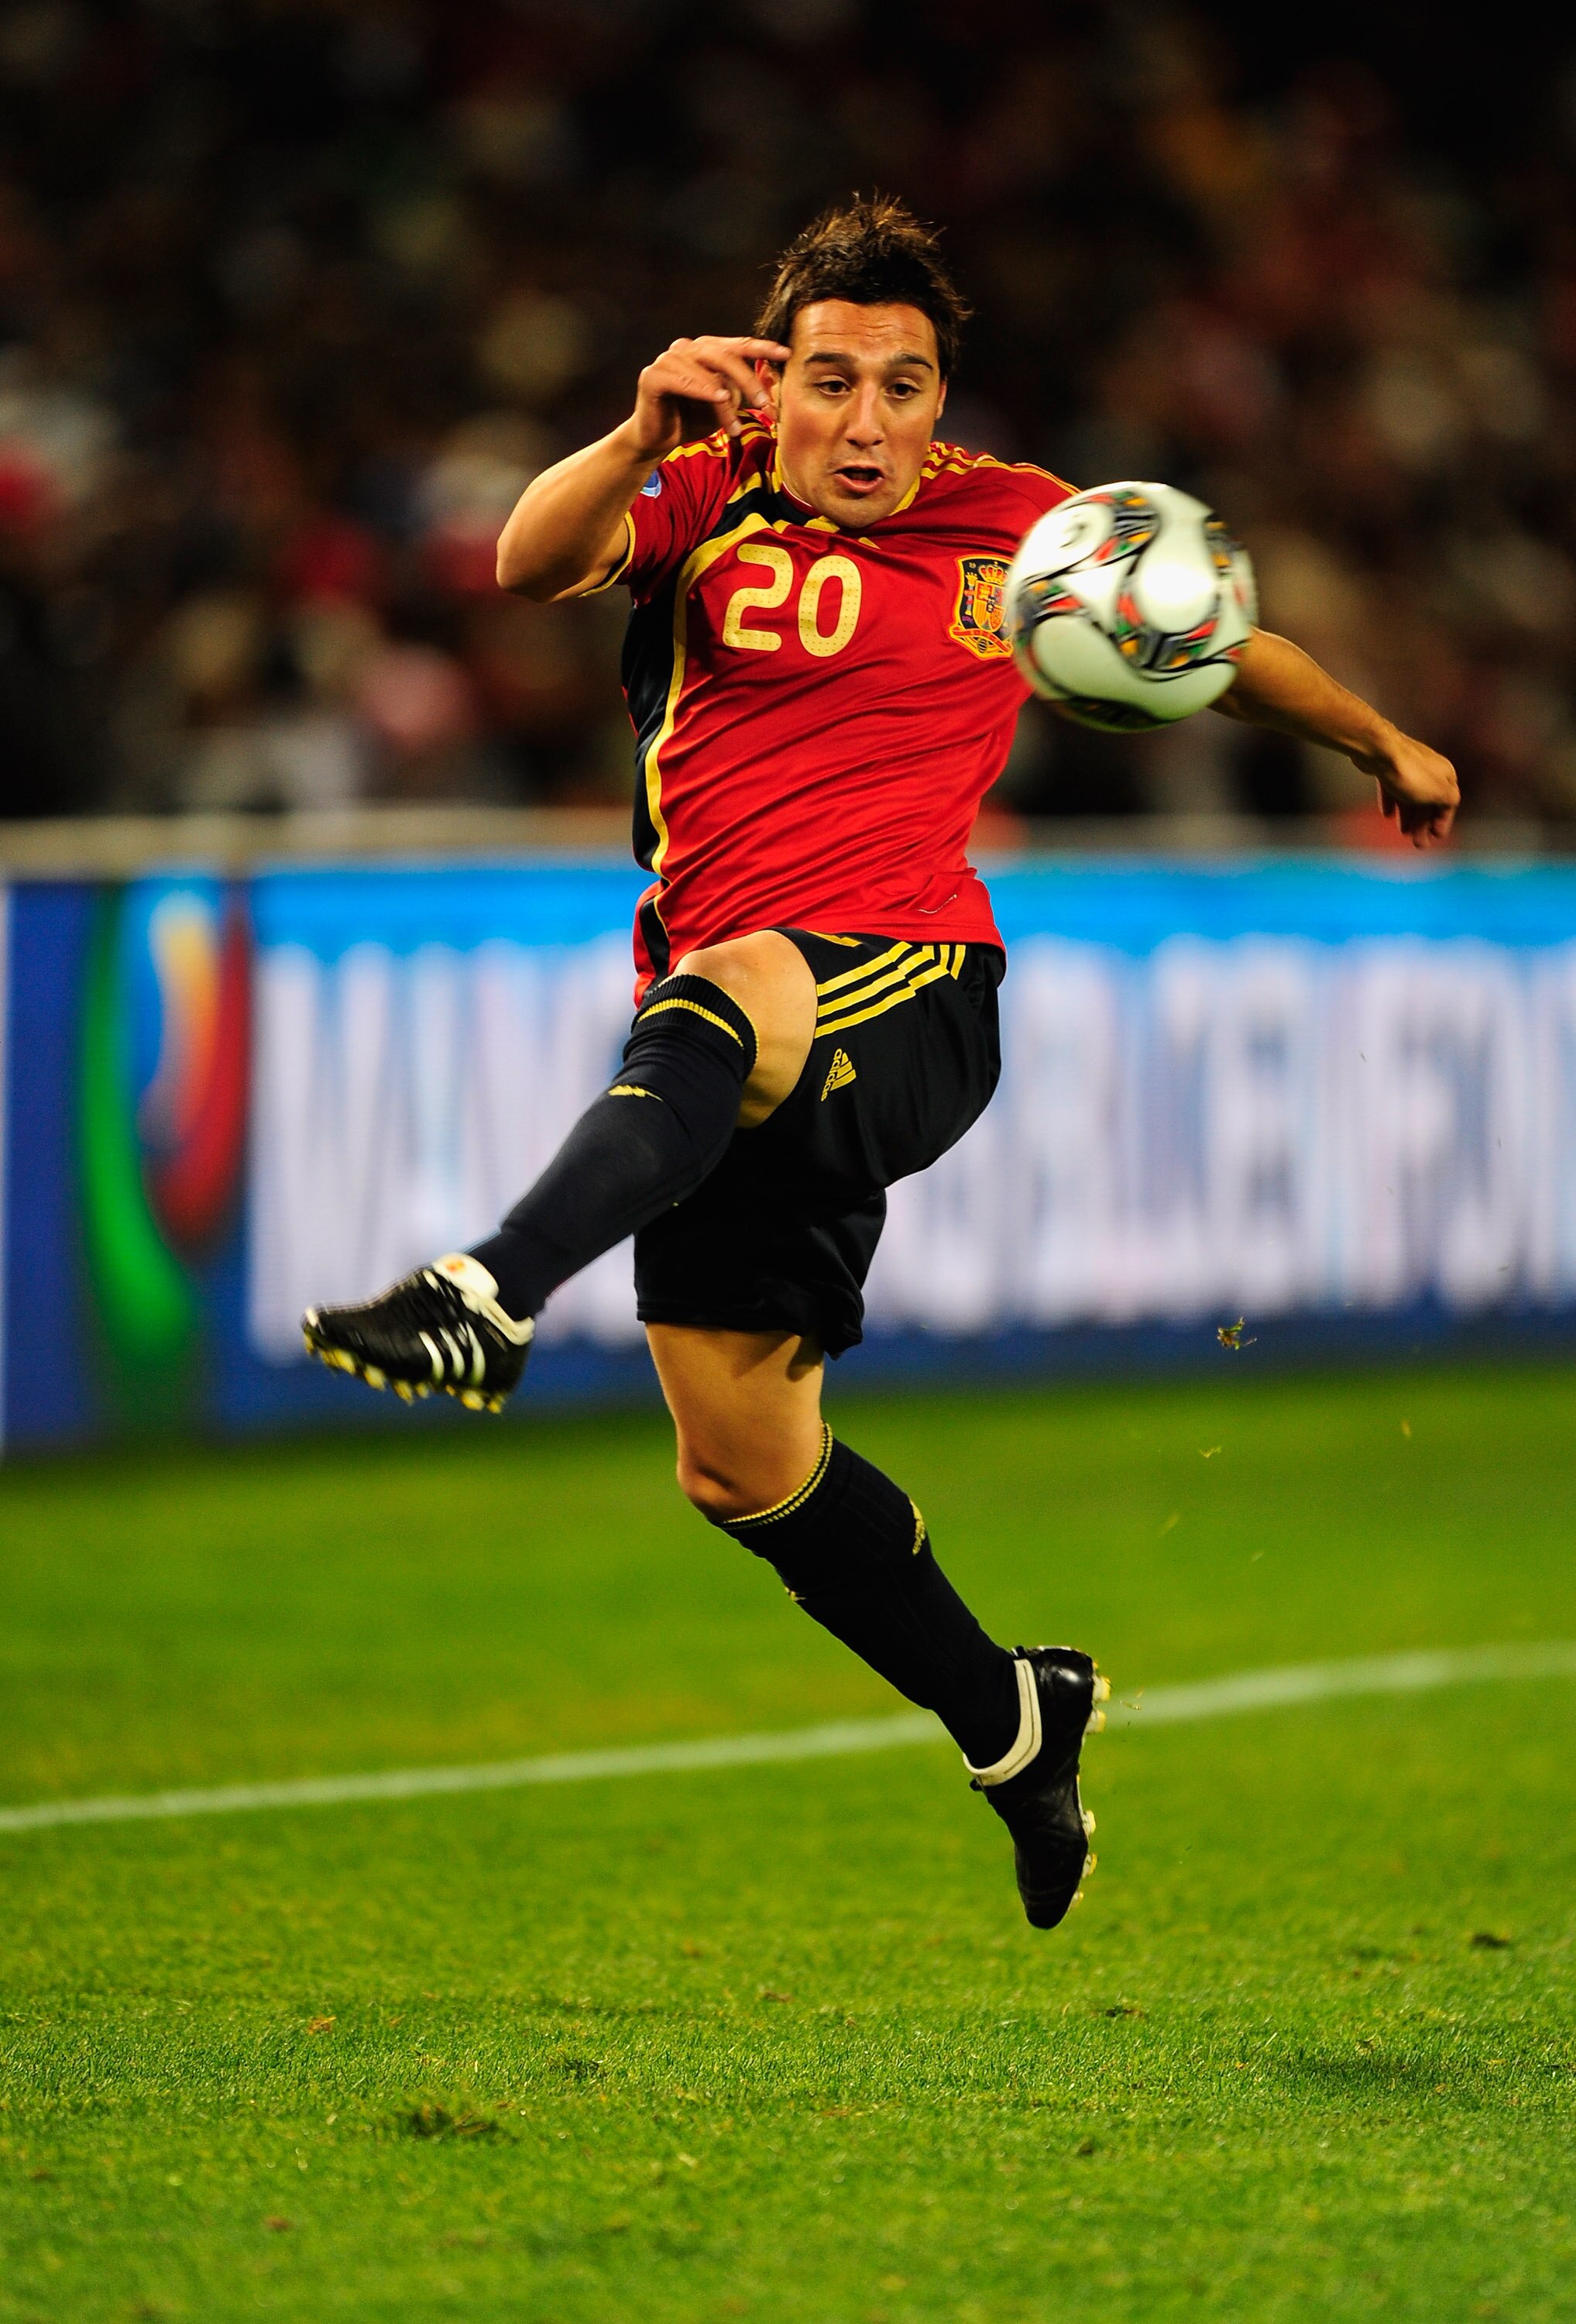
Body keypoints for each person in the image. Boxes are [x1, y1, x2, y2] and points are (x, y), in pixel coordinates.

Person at [303, 198, 1459, 1930]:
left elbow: (1212, 647)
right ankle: (1011, 1719)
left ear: (940, 402)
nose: (865, 421)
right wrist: (634, 429)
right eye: (831, 381)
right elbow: (523, 563)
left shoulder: (1020, 528)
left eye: (901, 387)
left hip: (911, 987)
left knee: (732, 984)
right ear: (775, 388)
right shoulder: (699, 490)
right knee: (742, 1463)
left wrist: (1375, 730)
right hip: (727, 1035)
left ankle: (486, 1291)